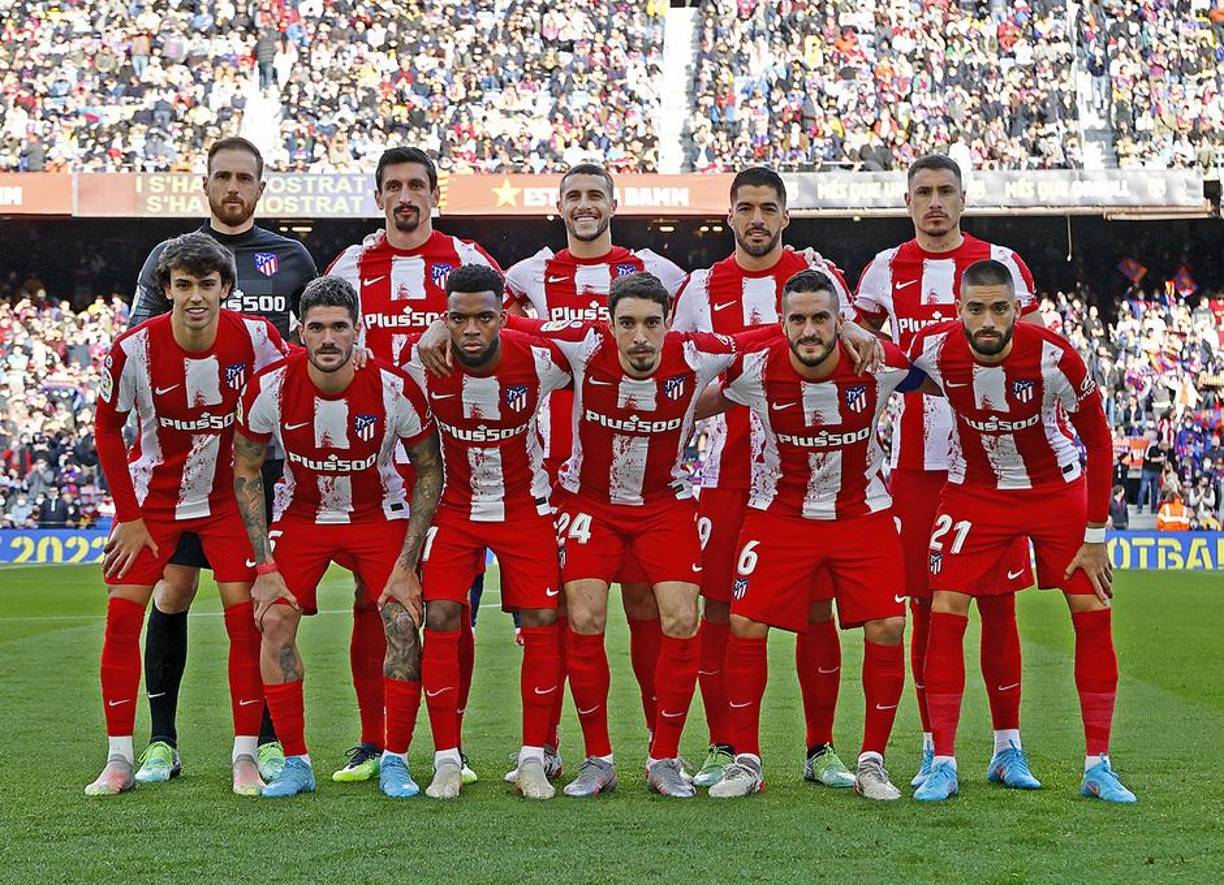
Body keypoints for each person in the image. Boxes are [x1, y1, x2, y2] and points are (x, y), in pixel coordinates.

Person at [490, 271, 772, 797]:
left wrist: (848, 326)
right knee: (585, 616)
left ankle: (663, 757)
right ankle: (598, 759)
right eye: (627, 324)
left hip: (665, 505)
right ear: (610, 324)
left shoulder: (696, 353)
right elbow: (506, 326)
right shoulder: (584, 344)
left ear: (668, 322)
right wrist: (439, 328)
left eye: (651, 323)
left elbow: (765, 335)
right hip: (591, 504)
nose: (640, 336)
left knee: (682, 618)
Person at [670, 165, 878, 789]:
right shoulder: (701, 287)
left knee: (817, 608)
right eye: (746, 208)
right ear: (729, 217)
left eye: (768, 208)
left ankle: (820, 749)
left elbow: (853, 348)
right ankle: (724, 745)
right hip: (721, 471)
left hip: (802, 477)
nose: (757, 219)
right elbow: (682, 377)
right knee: (718, 608)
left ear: (786, 216)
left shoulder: (816, 276)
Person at [908, 259, 1135, 804]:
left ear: (1018, 309)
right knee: (945, 610)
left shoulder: (1056, 358)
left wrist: (1095, 535)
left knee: (1092, 611)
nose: (988, 321)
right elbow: (880, 363)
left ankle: (1098, 766)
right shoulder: (934, 349)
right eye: (976, 309)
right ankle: (943, 763)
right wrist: (853, 332)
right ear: (959, 310)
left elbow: (1099, 441)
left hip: (1054, 492)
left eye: (999, 309)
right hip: (974, 492)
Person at [128, 136, 317, 786]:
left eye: (244, 177)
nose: (233, 187)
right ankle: (162, 742)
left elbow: (309, 345)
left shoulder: (290, 257)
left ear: (261, 186)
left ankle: (264, 740)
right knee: (173, 590)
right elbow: (136, 344)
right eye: (222, 176)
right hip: (183, 468)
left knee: (261, 600)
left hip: (258, 468)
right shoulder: (168, 256)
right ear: (205, 183)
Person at [854, 154, 1041, 790]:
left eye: (945, 191)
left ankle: (1008, 747)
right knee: (927, 607)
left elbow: (1036, 351)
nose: (934, 202)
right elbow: (860, 347)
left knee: (999, 605)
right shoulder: (884, 268)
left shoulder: (1001, 261)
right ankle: (937, 750)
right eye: (923, 192)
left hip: (991, 465)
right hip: (915, 466)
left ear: (963, 199)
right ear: (907, 201)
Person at [697, 270, 917, 800]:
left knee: (889, 625)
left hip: (861, 514)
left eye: (821, 318)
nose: (810, 330)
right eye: (797, 319)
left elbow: (940, 375)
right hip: (780, 516)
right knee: (744, 622)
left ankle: (872, 761)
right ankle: (746, 761)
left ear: (840, 321)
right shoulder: (756, 368)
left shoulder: (878, 363)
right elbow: (697, 399)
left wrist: (869, 335)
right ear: (782, 323)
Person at [501, 162, 687, 783]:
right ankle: (550, 743)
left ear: (614, 203)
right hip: (559, 477)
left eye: (595, 196)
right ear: (559, 206)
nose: (585, 205)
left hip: (643, 476)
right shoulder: (528, 274)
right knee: (556, 615)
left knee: (645, 607)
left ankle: (663, 750)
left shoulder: (657, 273)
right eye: (574, 196)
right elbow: (502, 333)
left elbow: (687, 353)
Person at [87, 232, 290, 796]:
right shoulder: (132, 350)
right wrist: (128, 516)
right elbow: (107, 427)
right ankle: (119, 757)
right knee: (122, 617)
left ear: (226, 288)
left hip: (227, 503)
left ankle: (245, 755)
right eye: (183, 285)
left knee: (242, 620)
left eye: (206, 284)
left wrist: (355, 352)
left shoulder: (256, 337)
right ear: (167, 289)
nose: (195, 296)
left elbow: (297, 374)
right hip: (153, 505)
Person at [325, 146, 501, 785]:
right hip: (375, 463)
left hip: (455, 459)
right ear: (378, 197)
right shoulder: (352, 265)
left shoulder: (466, 258)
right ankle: (373, 741)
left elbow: (507, 331)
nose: (406, 196)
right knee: (372, 602)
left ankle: (453, 745)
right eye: (394, 186)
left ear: (434, 195)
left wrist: (446, 329)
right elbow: (322, 339)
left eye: (416, 186)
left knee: (454, 606)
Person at [233, 276, 442, 799]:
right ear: (300, 331)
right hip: (304, 514)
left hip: (377, 514)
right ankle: (296, 763)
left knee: (401, 620)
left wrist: (407, 565)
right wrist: (264, 566)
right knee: (274, 619)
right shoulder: (268, 388)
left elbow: (429, 469)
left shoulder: (394, 388)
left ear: (358, 330)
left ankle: (394, 759)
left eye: (340, 327)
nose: (328, 339)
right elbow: (246, 469)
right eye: (318, 327)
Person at [404, 265, 570, 800]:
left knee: (543, 619)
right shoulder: (421, 359)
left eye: (484, 317)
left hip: (525, 507)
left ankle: (533, 759)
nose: (471, 329)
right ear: (445, 317)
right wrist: (432, 329)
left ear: (503, 316)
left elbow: (593, 343)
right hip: (456, 508)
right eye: (458, 318)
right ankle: (447, 760)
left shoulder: (540, 358)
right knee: (441, 614)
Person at [1138, 440, 1168, 514]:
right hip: (1147, 470)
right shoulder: (1152, 446)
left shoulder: (1165, 451)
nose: (1166, 449)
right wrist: (1158, 459)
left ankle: (1153, 509)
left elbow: (1164, 462)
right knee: (1143, 489)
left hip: (1157, 472)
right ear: (1161, 445)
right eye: (1165, 446)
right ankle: (1139, 508)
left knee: (1154, 491)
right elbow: (1146, 457)